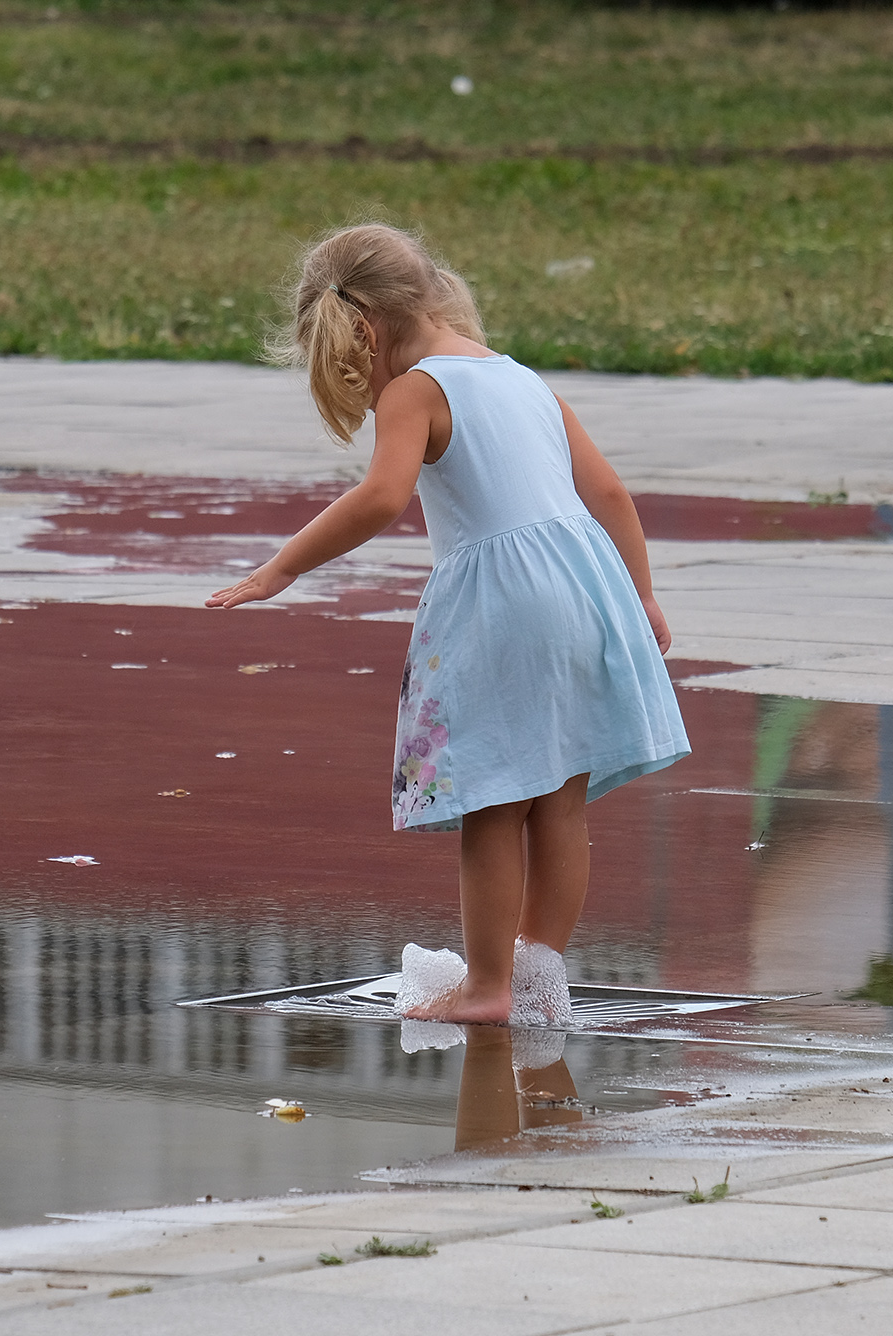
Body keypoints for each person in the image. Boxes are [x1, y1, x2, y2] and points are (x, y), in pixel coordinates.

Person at [207, 223, 689, 1025]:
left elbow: (380, 497)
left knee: (495, 801)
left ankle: (490, 986)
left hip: (504, 608)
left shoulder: (416, 389)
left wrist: (282, 566)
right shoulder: (517, 375)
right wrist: (640, 596)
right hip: (587, 586)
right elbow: (611, 496)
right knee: (562, 803)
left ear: (362, 328)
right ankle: (539, 977)